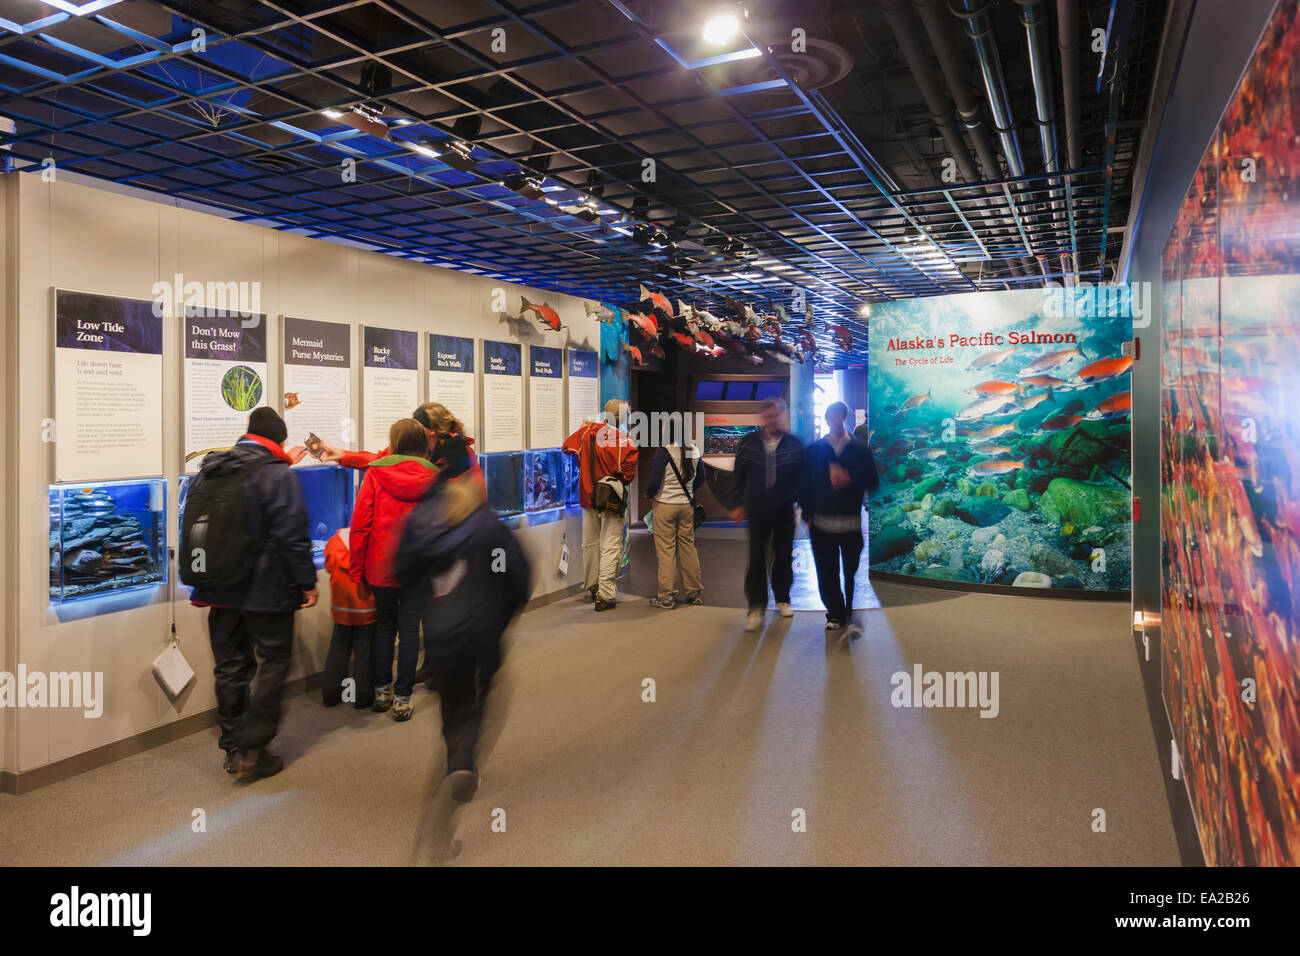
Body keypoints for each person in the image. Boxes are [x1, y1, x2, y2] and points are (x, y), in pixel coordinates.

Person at [188, 407, 317, 780]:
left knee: (231, 666)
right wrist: (306, 582)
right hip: (267, 591)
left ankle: (231, 747)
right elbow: (293, 534)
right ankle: (254, 746)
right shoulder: (276, 475)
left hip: (218, 589)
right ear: (279, 440)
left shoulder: (212, 469)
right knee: (274, 662)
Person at [396, 477, 533, 803]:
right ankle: (462, 762)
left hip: (441, 634)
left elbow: (403, 572)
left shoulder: (420, 528)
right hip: (480, 631)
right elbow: (516, 576)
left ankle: (454, 759)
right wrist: (501, 618)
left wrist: (426, 609)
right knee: (478, 697)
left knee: (452, 699)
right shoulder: (488, 528)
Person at [349, 418, 440, 720]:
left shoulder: (375, 473)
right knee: (410, 629)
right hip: (417, 566)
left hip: (381, 565)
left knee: (386, 627)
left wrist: (356, 570)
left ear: (395, 441)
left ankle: (381, 692)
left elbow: (360, 525)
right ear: (422, 443)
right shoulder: (436, 477)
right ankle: (403, 698)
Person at [799, 401, 879, 632]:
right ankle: (835, 613)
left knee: (850, 572)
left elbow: (872, 481)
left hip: (850, 525)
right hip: (821, 525)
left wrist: (850, 479)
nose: (832, 420)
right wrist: (807, 515)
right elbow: (804, 485)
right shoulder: (815, 450)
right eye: (829, 416)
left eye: (836, 416)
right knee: (826, 573)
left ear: (844, 418)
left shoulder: (860, 451)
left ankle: (849, 610)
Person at [730, 398, 805, 632]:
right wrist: (736, 504)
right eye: (769, 416)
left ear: (783, 416)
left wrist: (805, 507)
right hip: (757, 509)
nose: (772, 420)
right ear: (763, 417)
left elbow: (802, 478)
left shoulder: (794, 444)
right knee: (756, 557)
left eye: (776, 416)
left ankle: (783, 598)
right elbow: (738, 476)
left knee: (783, 556)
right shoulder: (748, 442)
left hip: (784, 510)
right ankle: (756, 607)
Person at [561, 399, 638, 612]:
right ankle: (605, 595)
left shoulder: (586, 433)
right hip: (611, 499)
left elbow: (566, 446)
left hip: (587, 496)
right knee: (611, 544)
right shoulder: (625, 442)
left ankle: (593, 586)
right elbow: (629, 474)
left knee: (590, 543)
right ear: (622, 417)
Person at [644, 437, 706, 609]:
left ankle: (667, 596)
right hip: (686, 507)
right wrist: (688, 492)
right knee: (688, 547)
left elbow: (655, 481)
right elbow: (702, 477)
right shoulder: (693, 450)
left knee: (666, 550)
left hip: (665, 506)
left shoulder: (664, 451)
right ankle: (693, 592)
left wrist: (649, 494)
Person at [321, 526, 377, 708]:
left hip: (342, 609)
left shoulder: (334, 541)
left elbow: (329, 566)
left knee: (338, 651)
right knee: (364, 653)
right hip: (365, 609)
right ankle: (362, 698)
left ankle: (331, 695)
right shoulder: (370, 542)